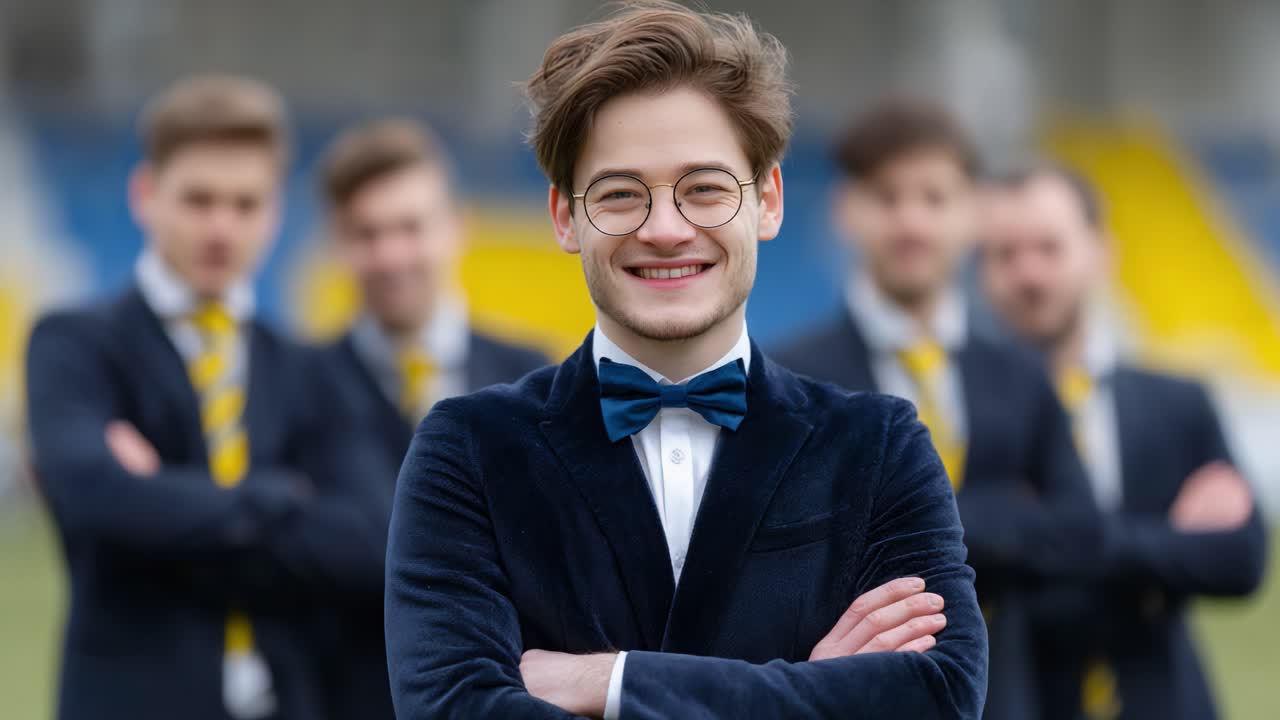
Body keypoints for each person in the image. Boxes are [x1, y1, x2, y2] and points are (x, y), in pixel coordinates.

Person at [383, 4, 988, 718]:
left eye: (703, 188)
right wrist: (810, 688)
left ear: (767, 201)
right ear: (565, 217)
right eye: (620, 195)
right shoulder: (468, 450)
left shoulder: (880, 446)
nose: (665, 230)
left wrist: (609, 683)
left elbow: (940, 698)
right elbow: (453, 709)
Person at [25, 75, 385, 720]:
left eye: (245, 204)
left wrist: (161, 491)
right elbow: (94, 497)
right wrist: (280, 495)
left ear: (275, 213)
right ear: (145, 195)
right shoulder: (74, 343)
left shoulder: (310, 370)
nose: (221, 227)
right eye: (198, 200)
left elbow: (367, 542)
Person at [773, 99, 1102, 719]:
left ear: (973, 214)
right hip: (853, 698)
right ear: (847, 211)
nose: (911, 221)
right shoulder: (791, 377)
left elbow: (1081, 537)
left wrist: (886, 523)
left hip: (1008, 695)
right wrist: (1002, 516)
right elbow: (795, 554)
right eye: (888, 197)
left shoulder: (1022, 375)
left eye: (934, 197)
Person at [980, 165, 1268, 720]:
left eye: (1049, 247)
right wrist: (1161, 548)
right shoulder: (954, 410)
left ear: (1101, 252)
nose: (1029, 273)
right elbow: (963, 546)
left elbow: (1241, 559)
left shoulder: (1179, 404)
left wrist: (1039, 539)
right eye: (1005, 254)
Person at [311, 119, 547, 718]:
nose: (390, 255)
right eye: (366, 233)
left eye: (409, 228)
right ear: (336, 241)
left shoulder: (534, 379)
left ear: (456, 229)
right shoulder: (294, 385)